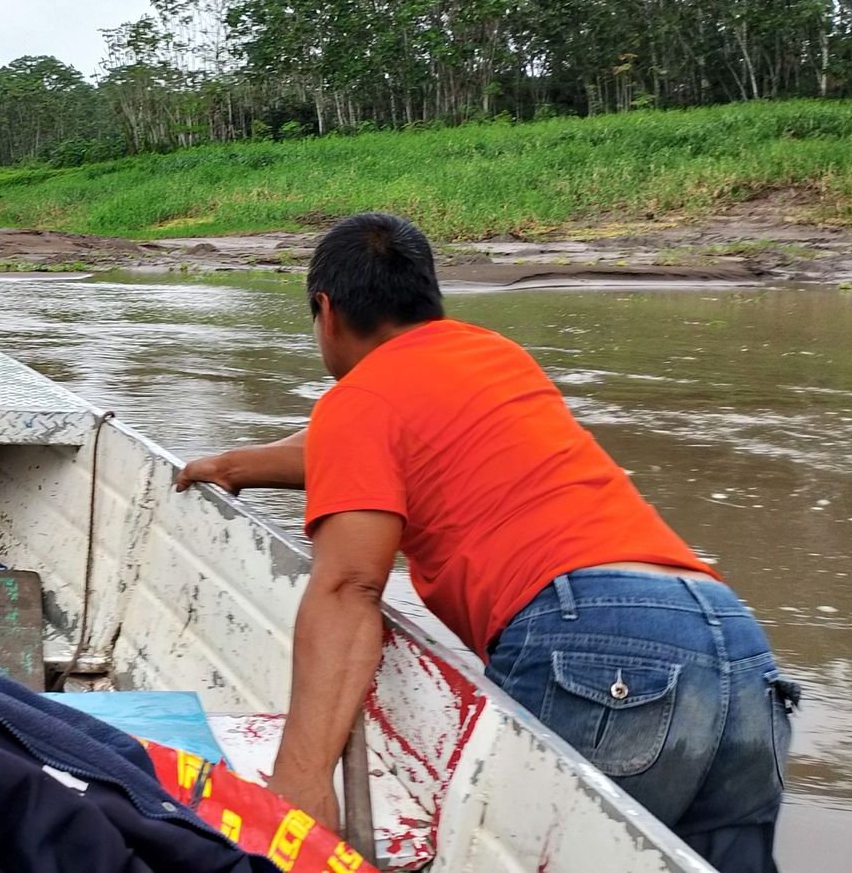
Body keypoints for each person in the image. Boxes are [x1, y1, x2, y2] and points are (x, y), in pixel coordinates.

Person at [176, 213, 795, 873]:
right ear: (427, 296)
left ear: (326, 311)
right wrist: (235, 466)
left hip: (595, 643)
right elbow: (351, 449)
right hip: (738, 648)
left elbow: (348, 586)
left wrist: (301, 782)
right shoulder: (493, 358)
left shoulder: (360, 400)